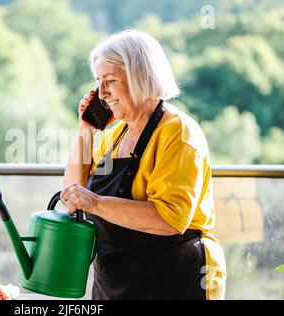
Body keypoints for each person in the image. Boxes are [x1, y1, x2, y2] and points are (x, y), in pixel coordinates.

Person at [61, 29, 227, 300]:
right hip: (118, 282)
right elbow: (73, 196)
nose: (101, 93)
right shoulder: (115, 136)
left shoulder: (179, 132)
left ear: (139, 77)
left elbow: (170, 219)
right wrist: (85, 129)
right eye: (98, 81)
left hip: (176, 278)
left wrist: (96, 203)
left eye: (110, 81)